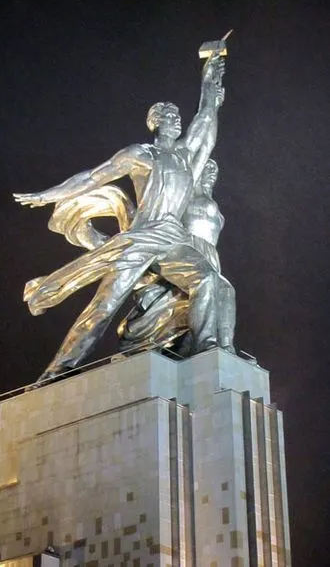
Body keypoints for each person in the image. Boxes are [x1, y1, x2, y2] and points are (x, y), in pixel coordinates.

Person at [14, 54, 226, 381]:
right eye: (167, 115)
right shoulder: (141, 154)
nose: (176, 119)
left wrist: (210, 75)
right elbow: (92, 178)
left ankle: (206, 346)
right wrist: (48, 195)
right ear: (153, 122)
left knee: (208, 280)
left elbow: (207, 114)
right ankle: (57, 371)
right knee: (104, 306)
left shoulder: (186, 157)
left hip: (174, 240)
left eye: (177, 115)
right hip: (142, 237)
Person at [118, 158, 236, 355]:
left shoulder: (216, 209)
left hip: (208, 256)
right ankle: (206, 344)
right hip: (183, 250)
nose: (211, 172)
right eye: (206, 167)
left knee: (226, 291)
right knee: (201, 285)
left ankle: (225, 350)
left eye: (214, 169)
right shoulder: (183, 198)